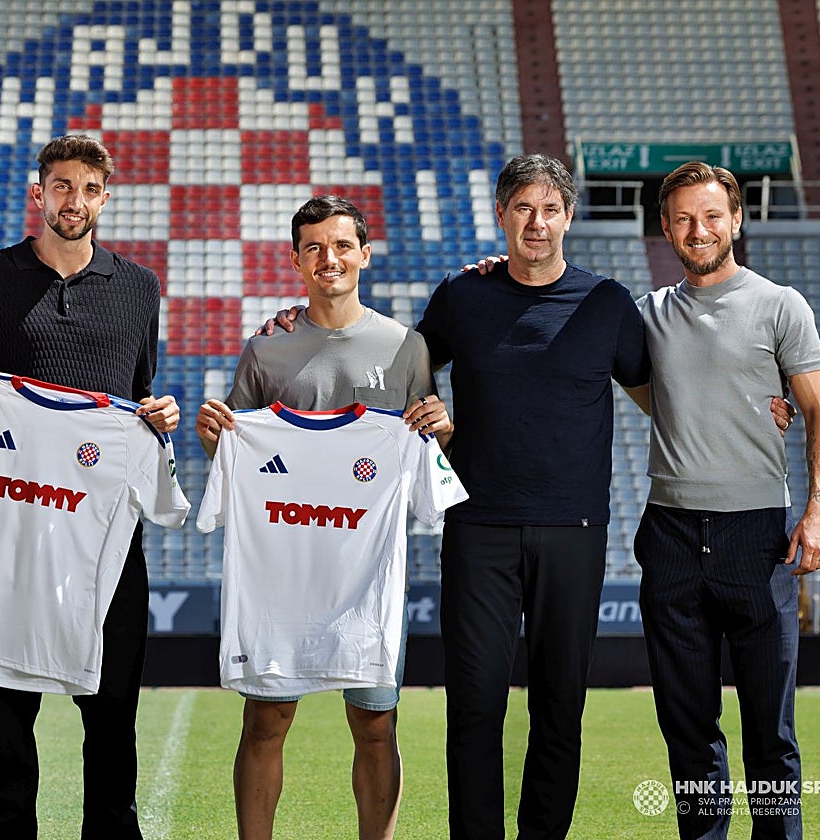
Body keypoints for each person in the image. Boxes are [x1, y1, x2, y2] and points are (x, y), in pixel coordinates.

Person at [264, 155, 650, 838]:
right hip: (478, 528)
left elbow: (657, 397)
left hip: (575, 527)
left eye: (551, 208)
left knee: (560, 707)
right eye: (523, 208)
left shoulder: (607, 304)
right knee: (475, 706)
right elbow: (397, 369)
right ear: (501, 214)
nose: (538, 222)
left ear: (568, 216)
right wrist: (307, 324)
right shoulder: (463, 295)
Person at [0, 134, 180, 839]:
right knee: (5, 713)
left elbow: (136, 399)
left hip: (102, 530)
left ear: (106, 198)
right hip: (13, 526)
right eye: (62, 187)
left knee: (112, 710)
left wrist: (158, 413)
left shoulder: (138, 287)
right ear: (38, 194)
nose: (75, 202)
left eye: (89, 189)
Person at [195, 195, 452, 840]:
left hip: (364, 580)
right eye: (313, 247)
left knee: (375, 725)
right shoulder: (266, 351)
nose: (328, 259)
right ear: (295, 260)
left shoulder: (405, 348)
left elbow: (425, 450)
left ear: (364, 254)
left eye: (341, 246)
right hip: (282, 578)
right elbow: (235, 452)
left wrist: (439, 429)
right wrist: (214, 434)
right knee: (265, 721)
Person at [627, 161, 820, 839]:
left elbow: (816, 410)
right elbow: (656, 398)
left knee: (771, 736)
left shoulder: (780, 305)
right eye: (682, 218)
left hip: (757, 536)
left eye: (711, 215)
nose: (697, 230)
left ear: (736, 219)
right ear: (665, 229)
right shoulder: (645, 316)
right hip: (672, 535)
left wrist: (817, 510)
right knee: (689, 734)